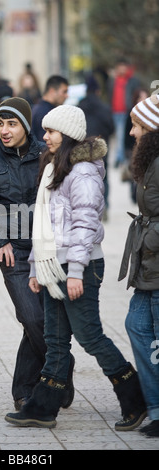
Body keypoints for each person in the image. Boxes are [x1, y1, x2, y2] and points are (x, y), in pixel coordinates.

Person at [5, 104, 146, 431]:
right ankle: (42, 407)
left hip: (79, 265)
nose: (44, 137)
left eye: (51, 131)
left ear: (66, 135)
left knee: (90, 336)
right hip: (55, 265)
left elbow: (84, 225)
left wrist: (76, 272)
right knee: (55, 339)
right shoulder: (57, 167)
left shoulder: (81, 172)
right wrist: (35, 269)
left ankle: (134, 396)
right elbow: (45, 226)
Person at [0, 97, 75, 411]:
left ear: (25, 125)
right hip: (13, 254)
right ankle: (60, 369)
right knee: (32, 316)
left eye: (11, 124)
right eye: (0, 123)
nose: (5, 130)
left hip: (47, 250)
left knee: (45, 320)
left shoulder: (47, 154)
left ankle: (31, 386)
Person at [118, 93, 159, 438]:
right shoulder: (152, 159)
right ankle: (155, 406)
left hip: (157, 262)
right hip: (150, 263)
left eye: (137, 125)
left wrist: (151, 238)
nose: (132, 132)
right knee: (136, 325)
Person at [78, 74, 115, 220]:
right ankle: (103, 205)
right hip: (101, 145)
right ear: (98, 91)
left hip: (83, 146)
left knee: (84, 177)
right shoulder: (104, 107)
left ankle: (88, 207)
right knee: (104, 177)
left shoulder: (80, 106)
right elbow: (111, 128)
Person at [108, 59, 140, 167]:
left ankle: (120, 158)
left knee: (121, 135)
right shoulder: (113, 81)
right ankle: (120, 156)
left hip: (126, 112)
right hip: (115, 111)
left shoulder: (131, 80)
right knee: (118, 135)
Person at [31, 75, 69, 141]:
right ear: (52, 91)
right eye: (64, 92)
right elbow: (45, 143)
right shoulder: (45, 112)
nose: (67, 96)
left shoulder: (38, 107)